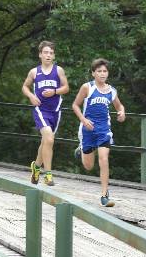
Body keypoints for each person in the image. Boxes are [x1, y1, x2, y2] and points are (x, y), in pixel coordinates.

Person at [72, 58, 125, 207]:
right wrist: (83, 120)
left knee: (103, 158)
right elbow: (75, 105)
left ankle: (104, 195)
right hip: (88, 129)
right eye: (99, 71)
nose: (102, 74)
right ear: (93, 73)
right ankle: (82, 149)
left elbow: (120, 106)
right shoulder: (87, 87)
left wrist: (121, 113)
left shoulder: (112, 91)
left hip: (104, 130)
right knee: (88, 166)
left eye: (105, 71)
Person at [22, 41, 69, 186]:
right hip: (40, 110)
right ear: (40, 54)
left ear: (53, 56)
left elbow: (66, 88)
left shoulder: (58, 70)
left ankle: (36, 168)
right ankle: (48, 174)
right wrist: (31, 96)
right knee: (49, 139)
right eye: (45, 52)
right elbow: (24, 86)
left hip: (55, 111)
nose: (48, 55)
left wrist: (54, 91)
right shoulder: (34, 72)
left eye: (51, 53)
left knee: (45, 142)